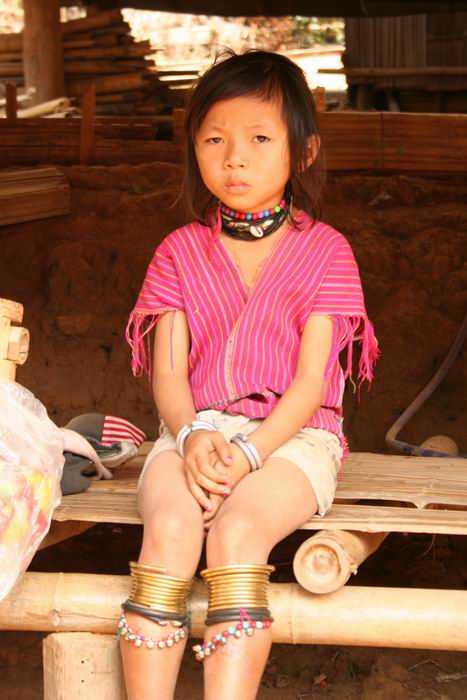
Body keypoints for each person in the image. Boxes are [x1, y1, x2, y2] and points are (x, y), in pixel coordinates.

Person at [121, 49, 378, 700]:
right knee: (170, 530)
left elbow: (311, 384)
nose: (234, 158)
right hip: (193, 433)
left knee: (237, 532)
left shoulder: (327, 252)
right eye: (215, 139)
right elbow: (169, 376)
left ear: (304, 152)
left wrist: (249, 453)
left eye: (259, 139)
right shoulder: (178, 252)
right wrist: (190, 436)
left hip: (294, 439)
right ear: (194, 147)